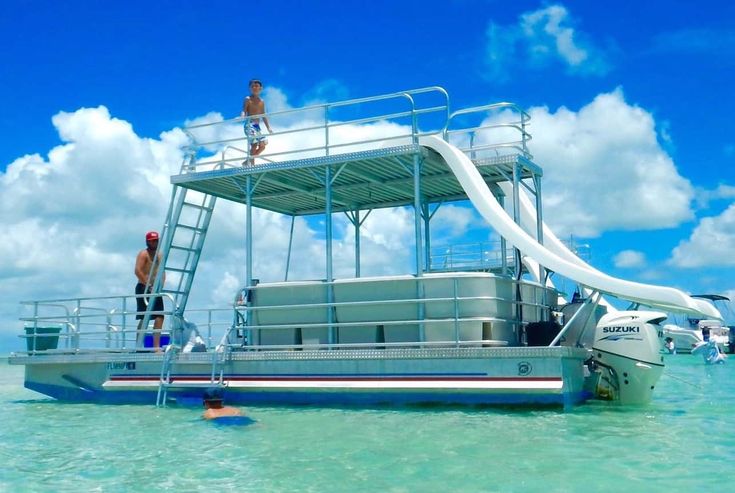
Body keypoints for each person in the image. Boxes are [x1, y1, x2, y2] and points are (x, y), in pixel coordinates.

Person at [135, 231, 165, 351]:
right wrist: (148, 285)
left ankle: (156, 346)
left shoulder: (159, 255)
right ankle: (138, 345)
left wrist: (161, 285)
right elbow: (137, 271)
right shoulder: (143, 254)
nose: (155, 242)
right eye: (152, 240)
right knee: (145, 317)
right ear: (147, 241)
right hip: (143, 288)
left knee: (160, 316)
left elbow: (162, 271)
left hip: (155, 289)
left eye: (156, 240)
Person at [241, 79, 273, 165]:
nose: (255, 88)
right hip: (249, 124)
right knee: (254, 144)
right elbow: (244, 110)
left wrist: (268, 127)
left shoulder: (261, 101)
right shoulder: (248, 99)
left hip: (256, 126)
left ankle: (247, 161)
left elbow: (263, 115)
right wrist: (242, 116)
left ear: (261, 88)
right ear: (250, 88)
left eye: (256, 86)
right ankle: (252, 164)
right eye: (252, 86)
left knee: (262, 145)